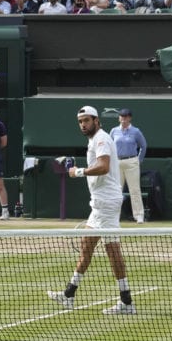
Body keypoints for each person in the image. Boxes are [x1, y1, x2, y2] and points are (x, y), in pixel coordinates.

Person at [48, 105, 135, 315]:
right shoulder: (94, 140)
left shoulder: (102, 139)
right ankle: (69, 294)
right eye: (80, 121)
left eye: (87, 120)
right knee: (87, 248)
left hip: (106, 203)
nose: (83, 124)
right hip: (100, 203)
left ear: (96, 120)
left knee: (111, 250)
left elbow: (104, 166)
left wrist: (78, 171)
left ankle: (126, 302)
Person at [109, 108, 148, 223]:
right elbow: (109, 146)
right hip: (117, 163)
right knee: (116, 190)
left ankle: (139, 215)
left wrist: (138, 160)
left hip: (132, 162)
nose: (123, 119)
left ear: (130, 118)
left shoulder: (136, 131)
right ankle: (114, 216)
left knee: (134, 190)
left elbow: (143, 146)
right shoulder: (113, 131)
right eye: (121, 116)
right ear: (119, 118)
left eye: (126, 117)